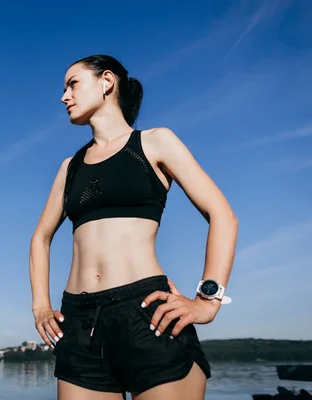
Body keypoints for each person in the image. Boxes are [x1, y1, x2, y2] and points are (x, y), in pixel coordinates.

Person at [28, 54, 239, 400]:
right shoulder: (70, 167)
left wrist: (207, 300)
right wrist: (40, 305)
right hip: (79, 324)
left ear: (106, 81)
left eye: (72, 84)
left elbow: (222, 215)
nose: (64, 96)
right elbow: (41, 238)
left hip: (147, 315)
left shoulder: (154, 143)